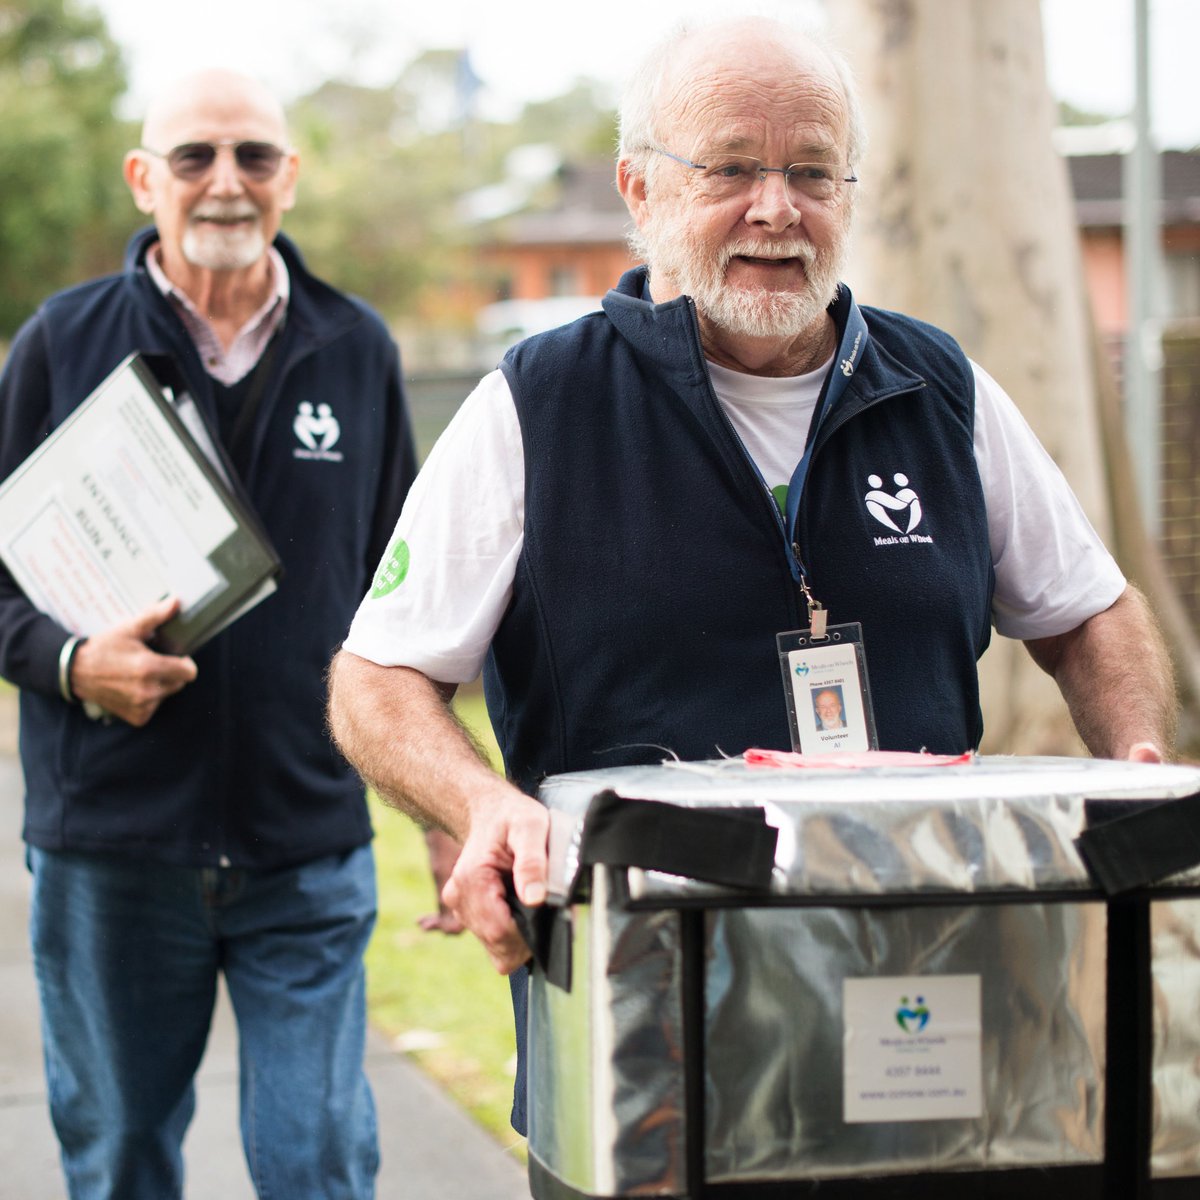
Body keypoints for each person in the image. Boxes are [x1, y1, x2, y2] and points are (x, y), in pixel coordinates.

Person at [326, 16, 1177, 1135]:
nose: (777, 207)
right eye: (732, 167)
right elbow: (375, 678)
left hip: (928, 992)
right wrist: (482, 802)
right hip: (656, 1011)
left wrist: (1139, 765)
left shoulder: (943, 390)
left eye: (813, 171)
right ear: (640, 189)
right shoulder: (539, 406)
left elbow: (1091, 613)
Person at [0, 69, 416, 1198]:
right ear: (146, 178)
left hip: (306, 845)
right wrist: (72, 663)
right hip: (113, 851)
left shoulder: (358, 349)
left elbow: (406, 599)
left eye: (253, 156)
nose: (225, 181)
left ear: (290, 178)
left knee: (317, 1159)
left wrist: (436, 808)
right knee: (123, 1160)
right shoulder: (61, 343)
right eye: (194, 157)